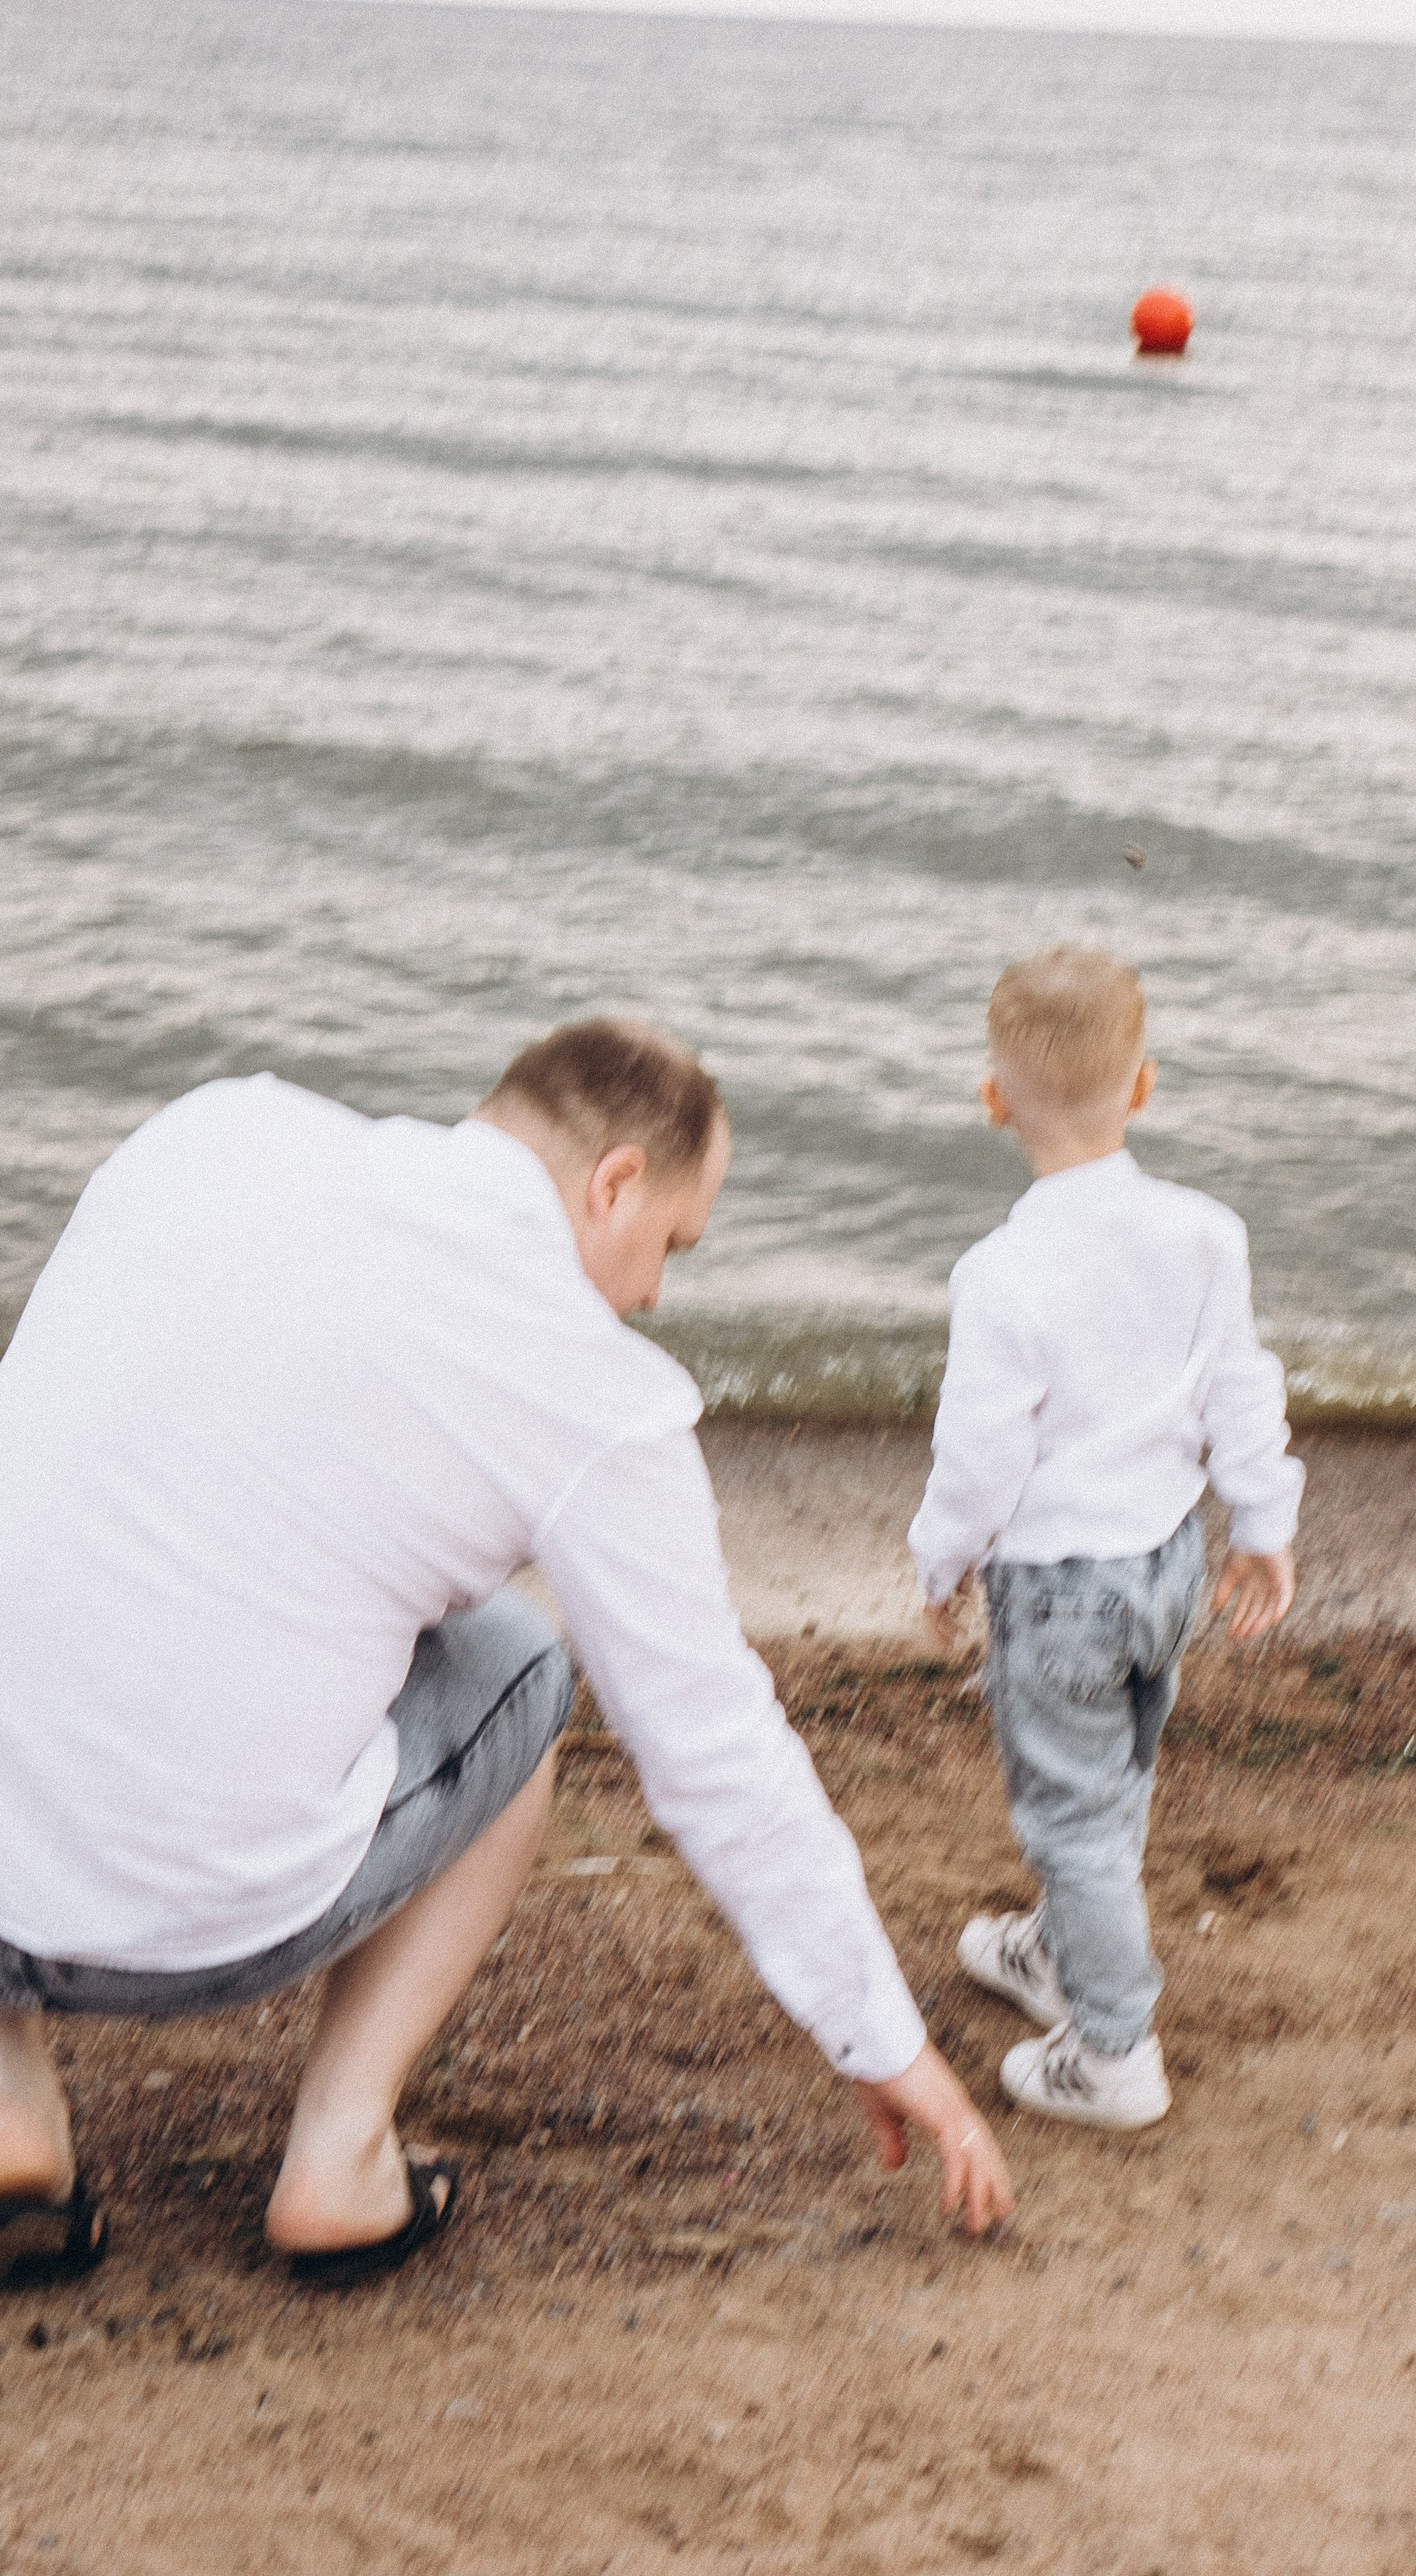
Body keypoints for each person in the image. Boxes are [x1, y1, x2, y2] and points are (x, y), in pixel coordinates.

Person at [0, 1019, 1012, 2292]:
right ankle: (340, 2154)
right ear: (615, 1184)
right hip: (190, 1918)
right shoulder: (586, 1385)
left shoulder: (221, 1128)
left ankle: (11, 2115)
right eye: (670, 1248)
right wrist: (884, 2042)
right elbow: (714, 1752)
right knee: (518, 1668)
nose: (652, 1295)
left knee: (80, 1552)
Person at [910, 948, 1302, 2131]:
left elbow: (981, 1451)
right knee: (1114, 1777)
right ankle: (1055, 1950)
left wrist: (942, 1561)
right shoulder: (1205, 1235)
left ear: (993, 1102)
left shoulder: (1001, 1272)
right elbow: (1242, 1386)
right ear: (1144, 1089)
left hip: (1060, 1588)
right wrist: (1263, 1522)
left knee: (1073, 1811)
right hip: (1168, 1564)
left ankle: (1116, 2051)